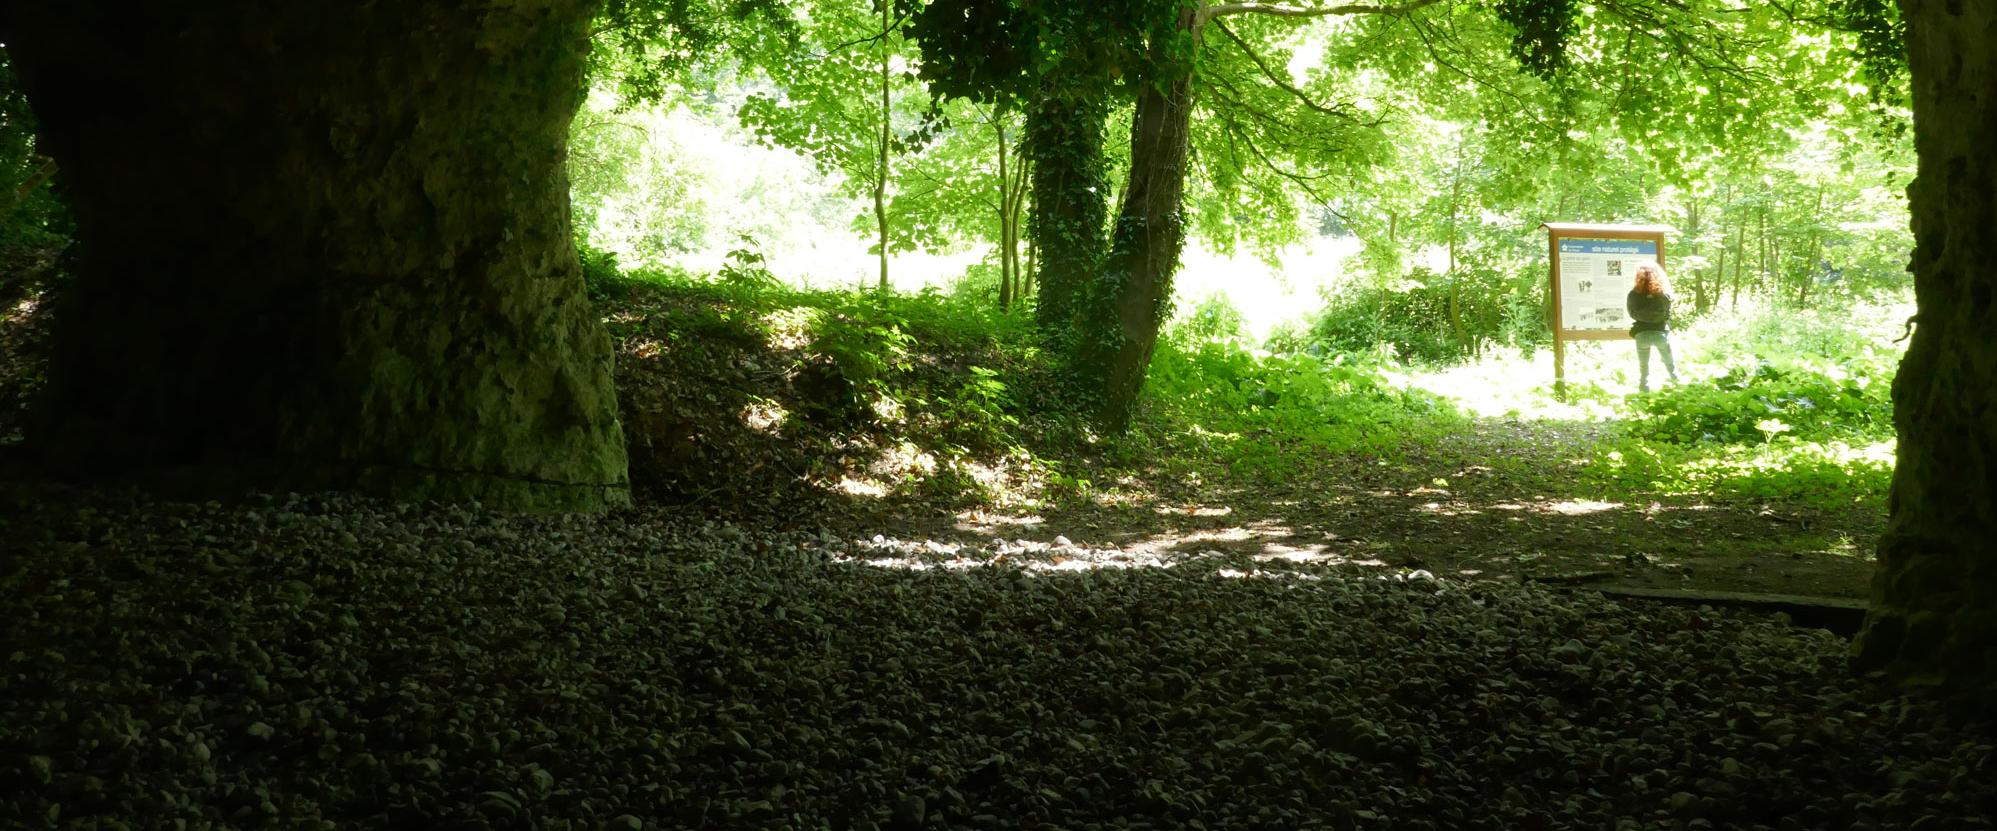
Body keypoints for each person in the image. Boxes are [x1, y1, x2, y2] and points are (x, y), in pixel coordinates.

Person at [1626, 261, 1680, 392]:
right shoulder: (1663, 294)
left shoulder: (1633, 294)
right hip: (1660, 334)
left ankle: (1644, 392)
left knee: (1644, 368)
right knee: (1670, 365)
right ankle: (1678, 389)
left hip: (1641, 334)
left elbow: (1632, 314)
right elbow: (1667, 315)